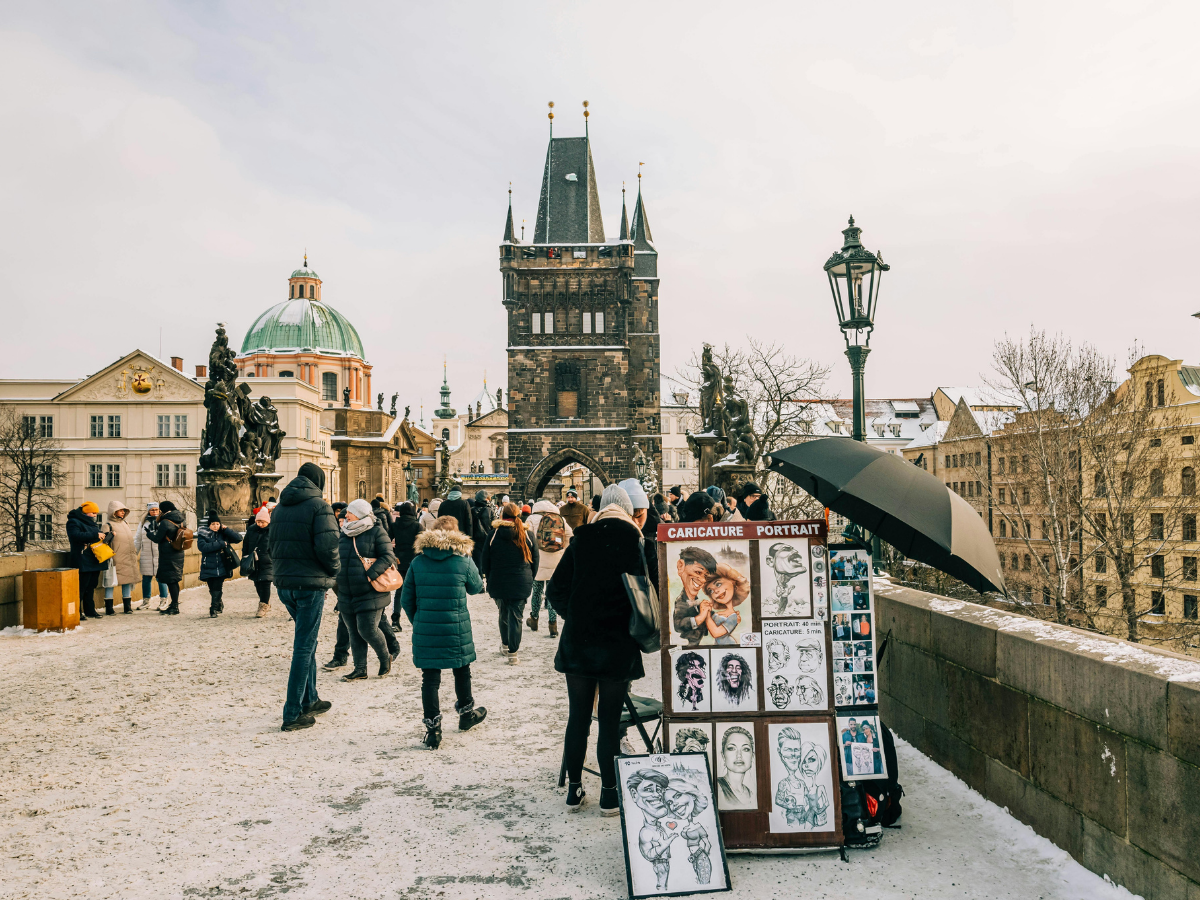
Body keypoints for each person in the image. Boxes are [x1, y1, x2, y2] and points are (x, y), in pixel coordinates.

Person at [548, 483, 646, 816]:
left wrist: (574, 616)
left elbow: (556, 591)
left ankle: (574, 791)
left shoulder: (581, 540)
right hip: (618, 644)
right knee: (608, 721)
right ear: (628, 511)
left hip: (579, 643)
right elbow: (649, 596)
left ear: (601, 508)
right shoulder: (636, 543)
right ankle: (608, 794)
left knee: (578, 718)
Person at [399, 515, 488, 750]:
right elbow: (477, 587)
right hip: (456, 626)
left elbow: (406, 599)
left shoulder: (418, 562)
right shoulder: (463, 560)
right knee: (461, 670)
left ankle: (433, 730)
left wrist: (419, 621)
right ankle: (466, 714)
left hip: (426, 626)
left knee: (430, 678)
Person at [270, 462, 340, 732]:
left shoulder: (280, 507)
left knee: (306, 642)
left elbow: (271, 544)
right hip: (309, 585)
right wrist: (333, 571)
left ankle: (310, 699)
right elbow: (329, 545)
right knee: (303, 647)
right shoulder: (319, 506)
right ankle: (292, 713)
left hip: (285, 583)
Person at [336, 498, 400, 681]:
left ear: (360, 514)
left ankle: (384, 657)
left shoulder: (376, 531)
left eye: (350, 512)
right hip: (346, 590)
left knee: (368, 629)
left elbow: (388, 556)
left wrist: (371, 574)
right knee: (353, 631)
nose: (346, 515)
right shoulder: (344, 532)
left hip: (370, 590)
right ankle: (360, 669)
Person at [480, 502, 539, 665]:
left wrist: (489, 576)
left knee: (503, 612)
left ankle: (506, 645)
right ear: (518, 515)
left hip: (498, 581)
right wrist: (530, 577)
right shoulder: (528, 535)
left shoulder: (493, 535)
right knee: (516, 616)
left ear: (502, 515)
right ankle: (513, 653)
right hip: (521, 581)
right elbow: (535, 561)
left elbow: (485, 560)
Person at [524, 499, 573, 637]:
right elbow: (570, 535)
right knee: (551, 593)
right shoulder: (559, 518)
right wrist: (562, 550)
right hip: (556, 561)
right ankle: (553, 625)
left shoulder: (532, 518)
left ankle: (534, 619)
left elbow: (527, 538)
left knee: (537, 591)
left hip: (538, 561)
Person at [66, 501, 107, 620]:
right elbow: (75, 536)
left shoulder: (91, 523)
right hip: (82, 558)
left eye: (96, 513)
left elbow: (92, 535)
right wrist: (96, 534)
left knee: (91, 586)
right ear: (86, 512)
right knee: (81, 587)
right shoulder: (73, 521)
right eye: (93, 513)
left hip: (93, 558)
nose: (95, 515)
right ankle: (77, 612)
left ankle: (90, 610)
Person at [197, 512, 243, 618]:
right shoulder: (203, 534)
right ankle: (219, 603)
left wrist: (226, 529)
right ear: (209, 525)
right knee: (212, 588)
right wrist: (221, 544)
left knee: (217, 587)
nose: (215, 526)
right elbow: (203, 547)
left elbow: (238, 538)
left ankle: (213, 608)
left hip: (222, 565)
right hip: (208, 565)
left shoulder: (223, 533)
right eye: (213, 524)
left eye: (217, 524)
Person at [672, 546, 718, 645]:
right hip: (688, 642)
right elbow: (678, 625)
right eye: (698, 572)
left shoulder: (696, 599)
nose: (702, 580)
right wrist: (701, 616)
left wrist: (711, 613)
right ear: (681, 566)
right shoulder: (681, 601)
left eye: (705, 576)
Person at [149, 501, 187, 615]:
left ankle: (174, 606)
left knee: (171, 580)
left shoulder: (165, 522)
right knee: (174, 580)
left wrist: (149, 534)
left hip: (168, 554)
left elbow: (157, 539)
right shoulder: (181, 519)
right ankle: (174, 604)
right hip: (179, 552)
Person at [101, 500, 138, 615]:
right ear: (113, 512)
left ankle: (127, 607)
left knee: (127, 580)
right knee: (110, 582)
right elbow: (103, 543)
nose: (122, 512)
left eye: (123, 511)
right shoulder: (107, 525)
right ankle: (109, 608)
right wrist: (111, 535)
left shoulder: (125, 523)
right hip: (114, 559)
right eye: (120, 510)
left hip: (127, 557)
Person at [390, 501, 421, 630]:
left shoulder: (394, 525)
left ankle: (395, 619)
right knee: (417, 590)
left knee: (399, 591)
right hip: (414, 561)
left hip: (399, 560)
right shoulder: (417, 526)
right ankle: (417, 619)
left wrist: (393, 554)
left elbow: (387, 540)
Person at [242, 505, 275, 617]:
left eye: (263, 522)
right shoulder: (251, 530)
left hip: (267, 561)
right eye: (258, 521)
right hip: (253, 561)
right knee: (257, 583)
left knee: (265, 582)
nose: (260, 524)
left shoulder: (272, 530)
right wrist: (245, 557)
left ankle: (263, 605)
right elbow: (245, 544)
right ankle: (265, 602)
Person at [134, 503, 168, 610]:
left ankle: (164, 600)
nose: (154, 512)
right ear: (149, 511)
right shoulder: (144, 523)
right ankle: (146, 601)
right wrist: (135, 552)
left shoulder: (163, 522)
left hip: (160, 554)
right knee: (146, 579)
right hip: (146, 555)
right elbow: (138, 539)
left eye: (156, 510)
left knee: (161, 579)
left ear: (159, 511)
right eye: (152, 510)